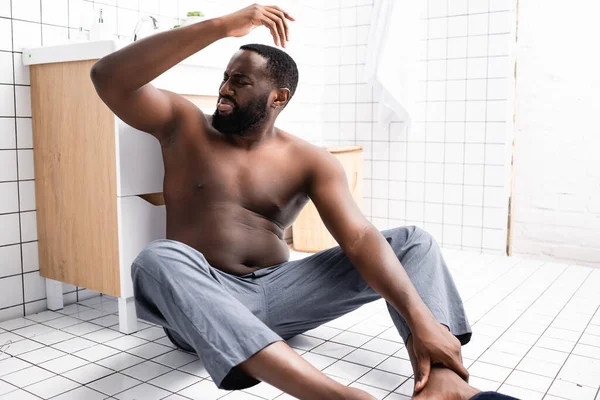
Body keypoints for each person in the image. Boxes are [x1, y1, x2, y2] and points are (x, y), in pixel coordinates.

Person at [90, 4, 514, 400]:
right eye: (225, 77)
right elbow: (108, 77)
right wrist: (222, 26)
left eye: (240, 82)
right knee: (157, 260)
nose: (224, 88)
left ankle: (443, 385)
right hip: (204, 301)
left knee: (413, 242)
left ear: (279, 97)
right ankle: (332, 395)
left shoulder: (311, 160)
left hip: (281, 296)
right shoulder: (183, 126)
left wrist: (422, 320)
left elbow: (360, 238)